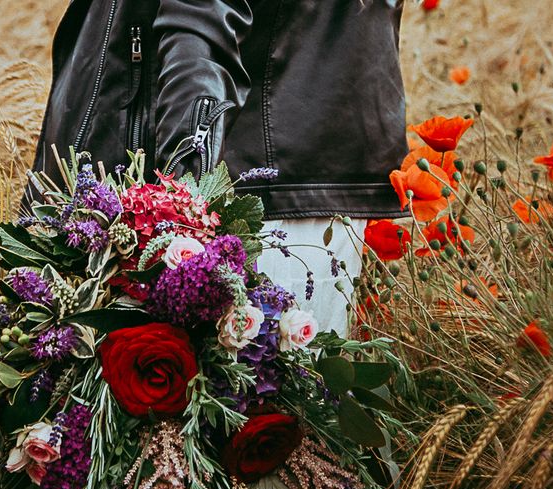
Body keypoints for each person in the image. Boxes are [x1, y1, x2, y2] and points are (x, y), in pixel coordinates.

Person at [23, 0, 407, 336]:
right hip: (306, 163)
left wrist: (183, 203)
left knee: (247, 407)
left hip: (239, 203)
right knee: (294, 405)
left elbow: (199, 26)